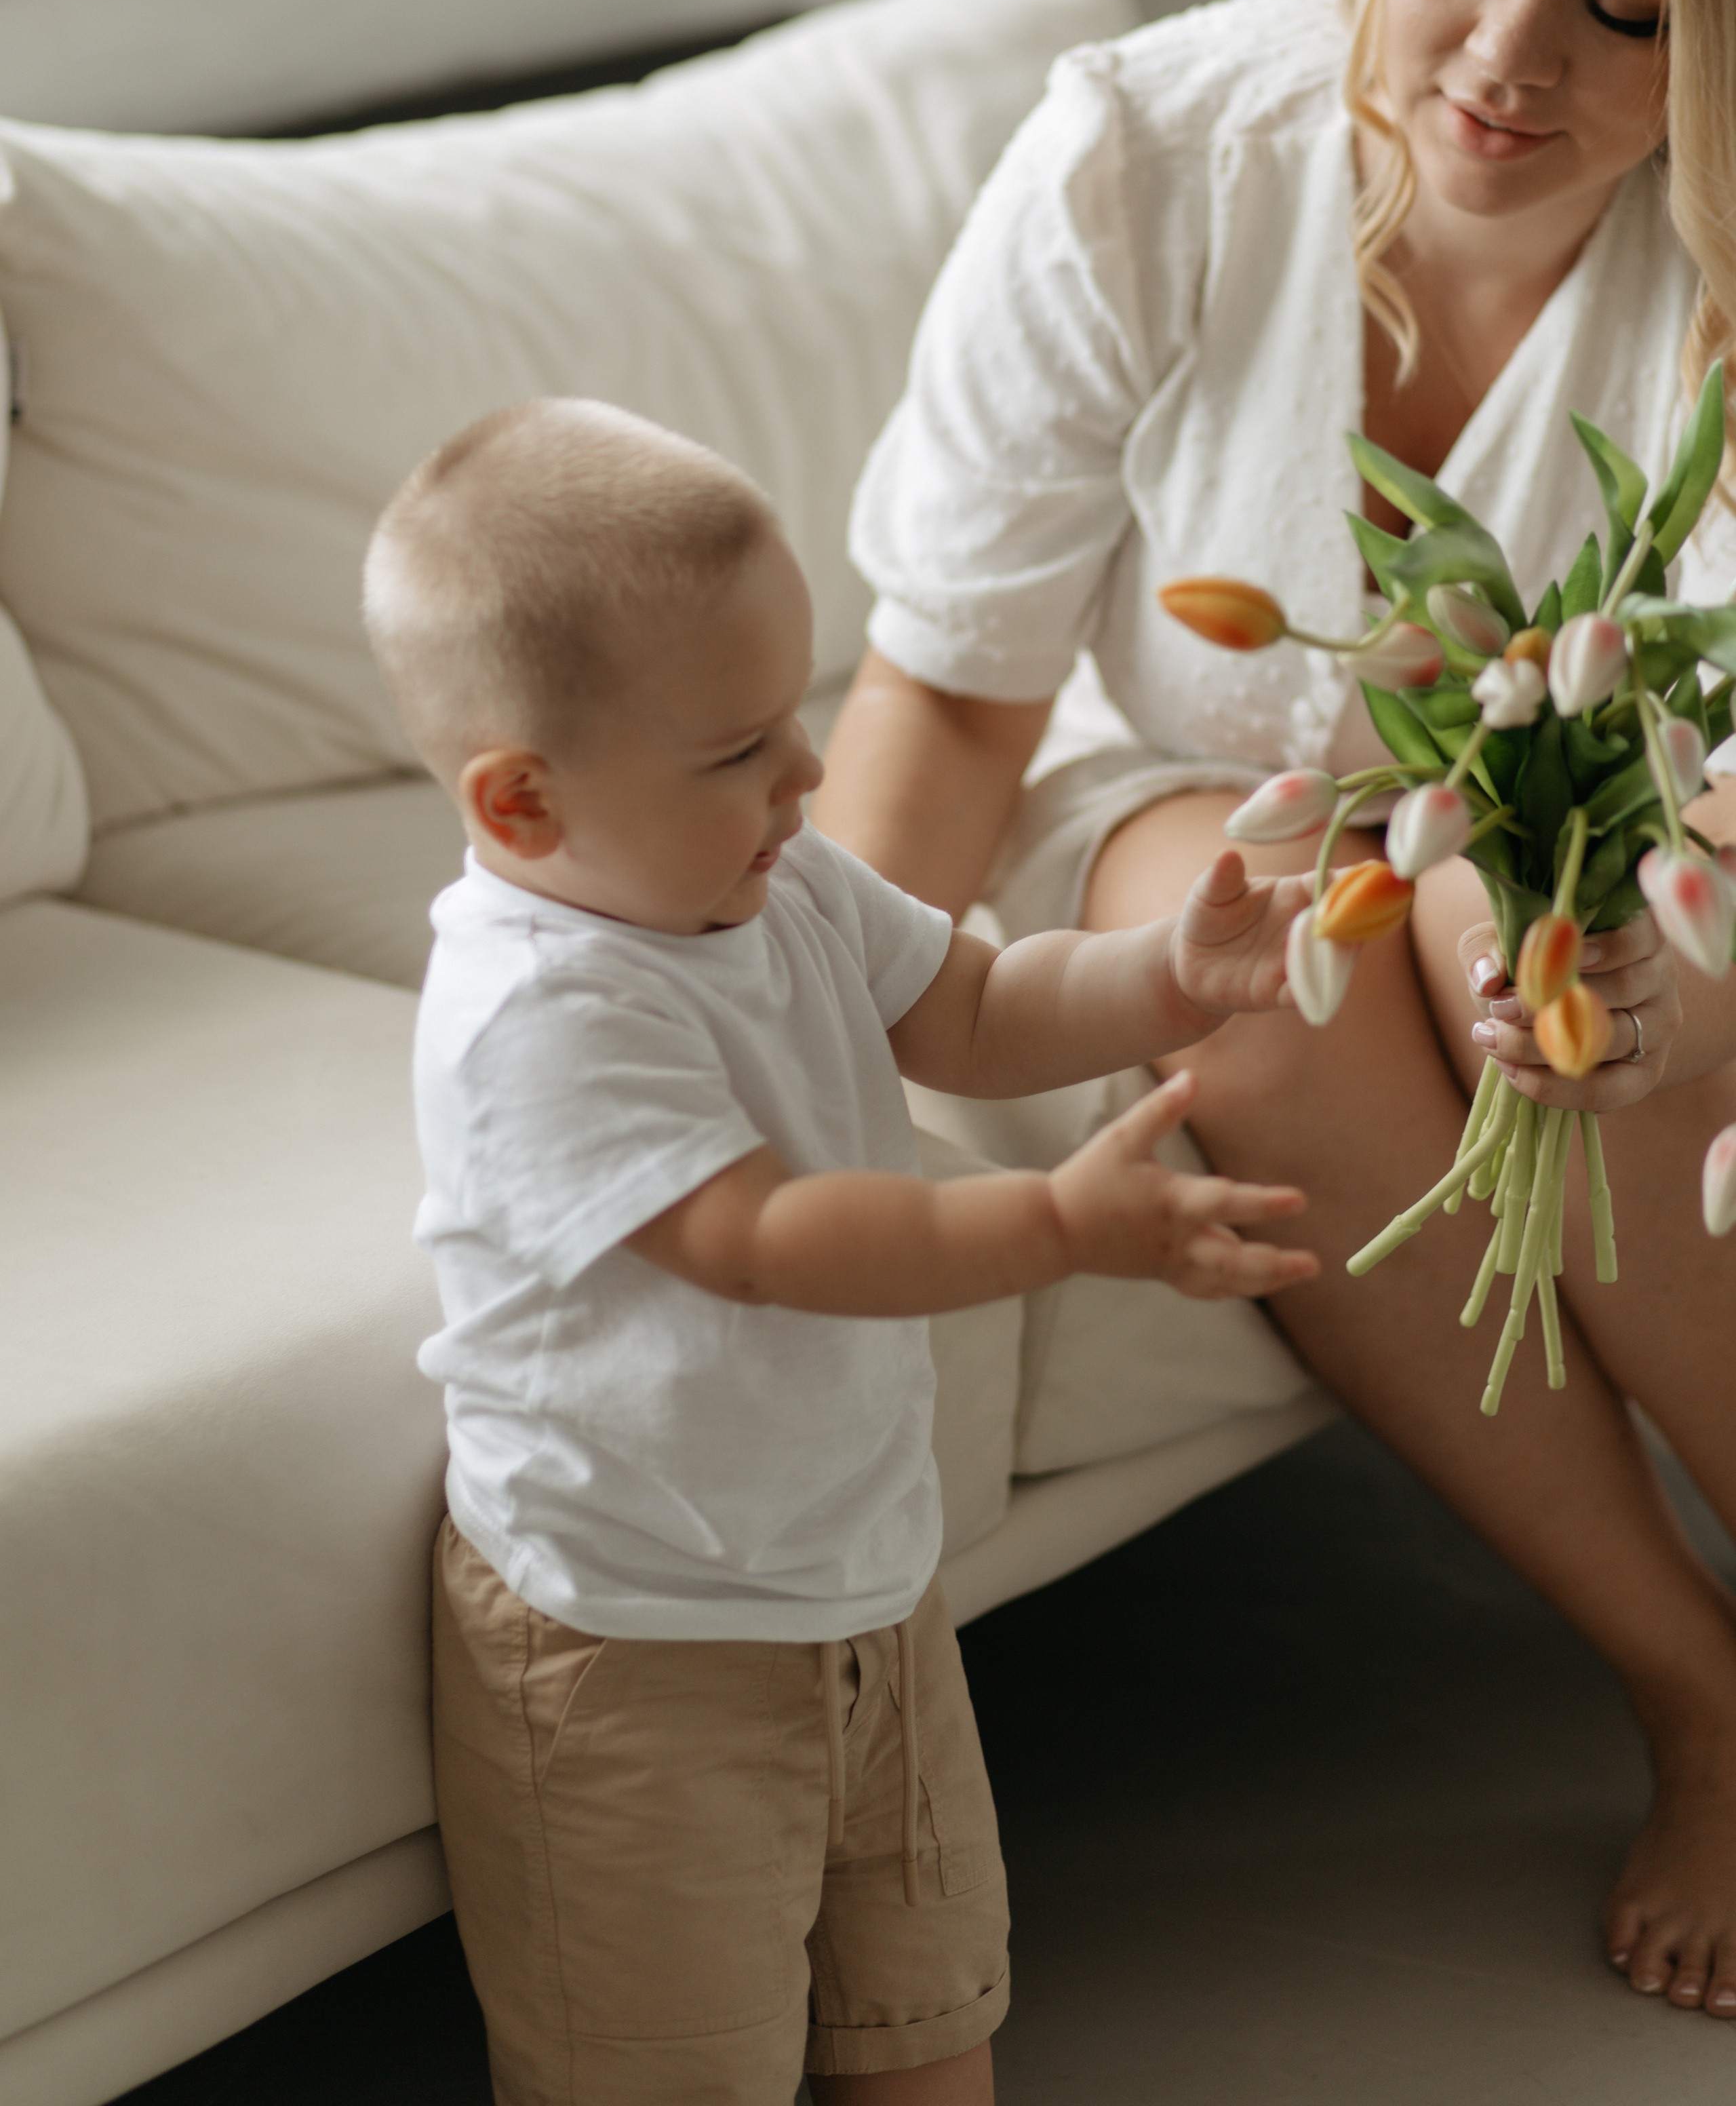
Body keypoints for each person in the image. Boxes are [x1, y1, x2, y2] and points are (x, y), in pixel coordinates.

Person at [818, 0, 1736, 2022]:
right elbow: (947, 688)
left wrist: (1639, 991)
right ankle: (1701, 1696)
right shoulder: (1151, 156)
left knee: (1493, 914)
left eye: (1628, 12)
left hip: (1647, 871)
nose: (1508, 63)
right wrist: (791, 1084)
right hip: (1162, 789)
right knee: (1331, 921)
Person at [361, 395, 1323, 2106]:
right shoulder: (540, 1008)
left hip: (861, 1588)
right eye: (738, 749)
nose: (806, 774)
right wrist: (1049, 1223)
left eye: (794, 719)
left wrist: (1169, 973)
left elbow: (967, 1002)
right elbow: (759, 1236)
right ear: (519, 807)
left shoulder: (771, 877)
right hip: (638, 1649)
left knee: (927, 2024)